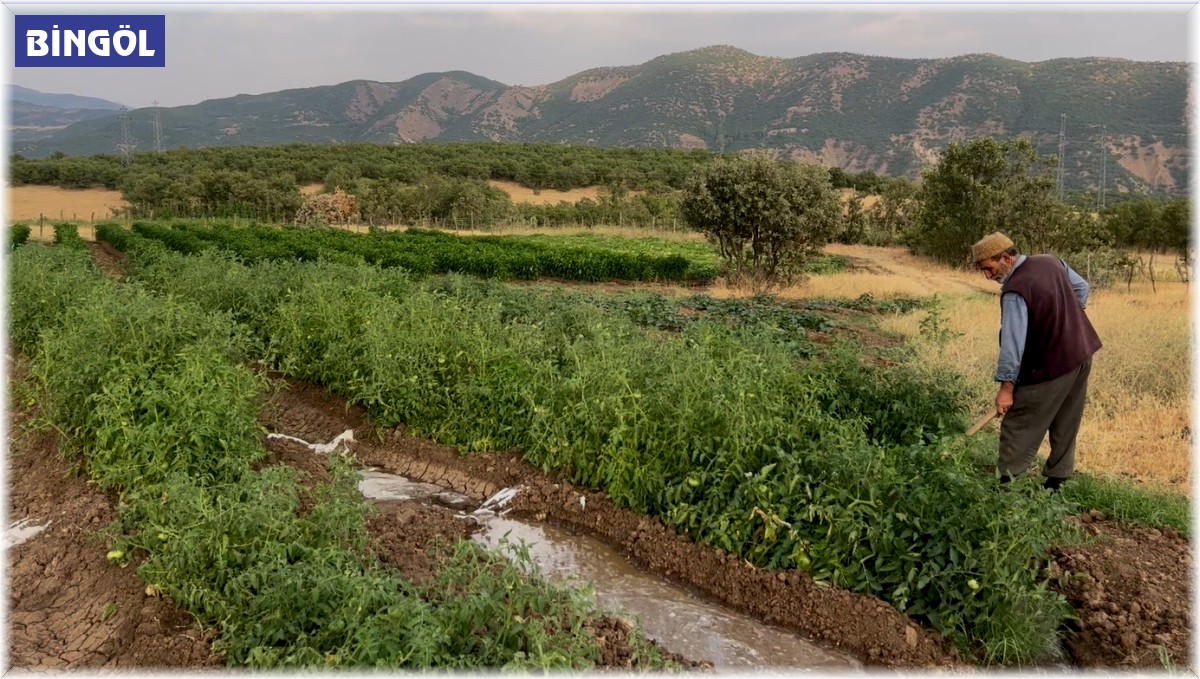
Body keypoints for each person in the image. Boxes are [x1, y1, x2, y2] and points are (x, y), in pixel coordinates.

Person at [970, 232, 1102, 491]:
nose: (988, 276)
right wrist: (1064, 320)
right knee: (1066, 419)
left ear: (1006, 258)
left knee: (1019, 422)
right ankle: (1056, 483)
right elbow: (1081, 288)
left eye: (989, 268)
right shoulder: (1051, 261)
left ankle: (1006, 485)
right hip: (1081, 353)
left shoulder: (1014, 290)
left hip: (1050, 365)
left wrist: (1006, 389)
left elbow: (1012, 346)